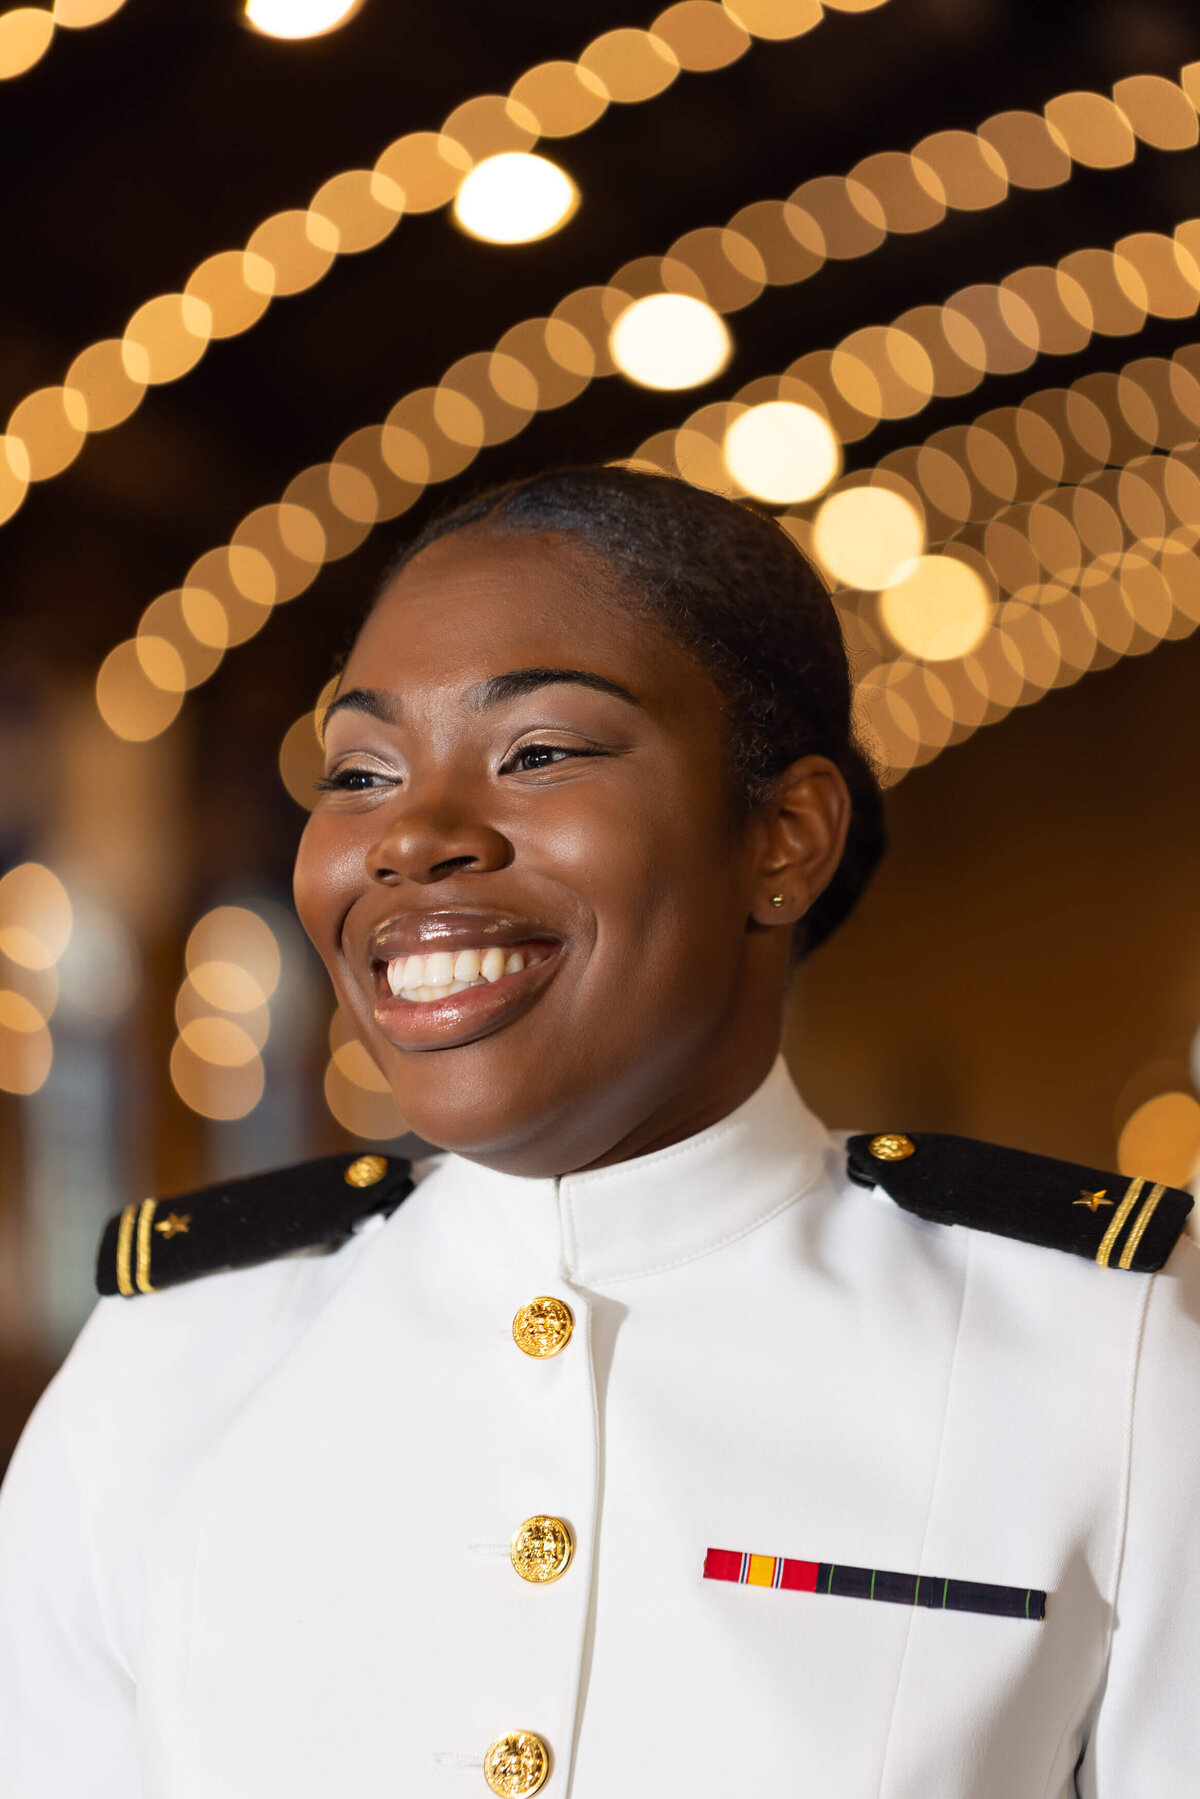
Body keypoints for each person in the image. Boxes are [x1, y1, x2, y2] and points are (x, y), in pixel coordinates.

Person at [1, 465, 1197, 1799]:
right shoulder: (170, 1362)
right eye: (360, 770)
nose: (413, 838)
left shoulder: (1113, 1358)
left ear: (785, 839)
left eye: (540, 753)